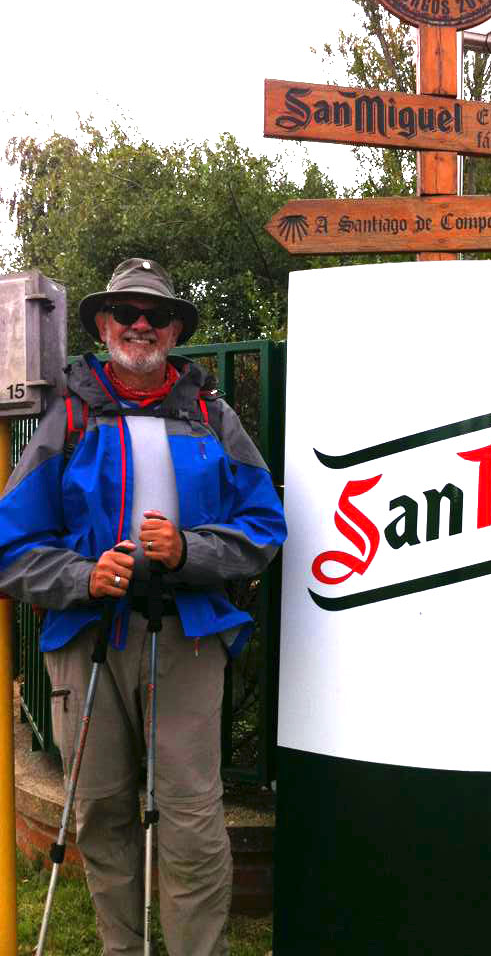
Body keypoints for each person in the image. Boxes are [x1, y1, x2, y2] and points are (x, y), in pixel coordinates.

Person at [0, 258, 287, 956]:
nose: (139, 324)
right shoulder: (66, 413)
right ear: (102, 325)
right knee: (100, 812)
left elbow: (264, 525)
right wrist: (80, 575)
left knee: (191, 817)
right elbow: (12, 544)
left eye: (154, 315)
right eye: (124, 312)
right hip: (85, 635)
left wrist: (189, 550)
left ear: (174, 330)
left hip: (189, 637)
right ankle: (121, 948)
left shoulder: (212, 415)